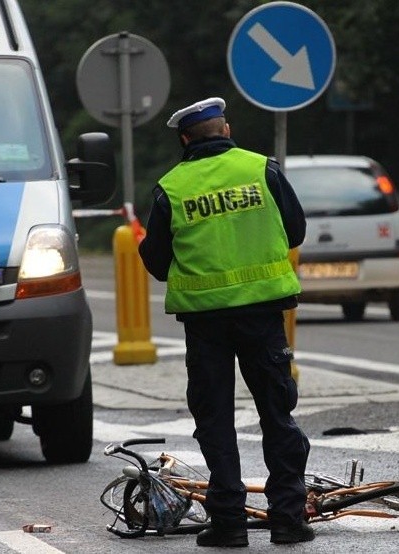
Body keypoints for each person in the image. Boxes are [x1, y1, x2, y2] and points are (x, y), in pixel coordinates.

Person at [138, 97, 313, 547]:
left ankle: (230, 524)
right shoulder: (263, 170)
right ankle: (289, 520)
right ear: (226, 129)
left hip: (205, 322)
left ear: (184, 139)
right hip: (262, 314)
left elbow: (155, 261)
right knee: (277, 413)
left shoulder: (171, 188)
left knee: (215, 419)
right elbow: (295, 230)